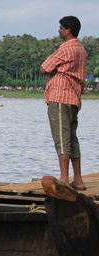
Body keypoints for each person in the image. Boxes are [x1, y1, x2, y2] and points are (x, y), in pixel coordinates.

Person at [40, 16, 87, 190]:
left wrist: (56, 70)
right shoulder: (81, 49)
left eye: (61, 28)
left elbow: (44, 67)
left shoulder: (66, 49)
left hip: (60, 97)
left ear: (68, 30)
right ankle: (78, 179)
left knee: (61, 137)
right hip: (74, 97)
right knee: (72, 138)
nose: (59, 30)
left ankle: (65, 179)